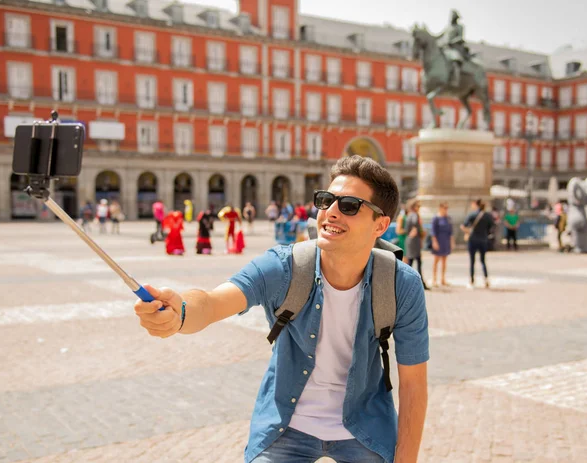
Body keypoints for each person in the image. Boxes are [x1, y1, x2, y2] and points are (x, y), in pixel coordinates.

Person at [134, 155, 429, 463]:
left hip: (365, 426)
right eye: (326, 200)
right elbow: (211, 303)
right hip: (286, 427)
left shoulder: (400, 284)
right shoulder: (285, 266)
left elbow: (413, 385)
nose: (330, 212)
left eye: (349, 206)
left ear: (380, 225)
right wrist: (180, 313)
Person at [461, 199, 495, 289]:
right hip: (483, 240)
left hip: (473, 240)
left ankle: (472, 281)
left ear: (476, 205)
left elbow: (463, 226)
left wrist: (468, 232)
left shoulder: (472, 214)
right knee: (483, 261)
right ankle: (486, 279)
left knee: (472, 261)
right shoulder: (487, 215)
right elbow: (491, 227)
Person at [404, 199, 429, 290]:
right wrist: (415, 230)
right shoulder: (414, 215)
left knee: (412, 262)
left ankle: (409, 282)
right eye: (418, 206)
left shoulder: (409, 215)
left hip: (412, 241)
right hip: (414, 241)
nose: (419, 208)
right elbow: (414, 223)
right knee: (415, 262)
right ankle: (418, 283)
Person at [431, 202, 454, 287]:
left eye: (447, 208)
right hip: (438, 240)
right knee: (436, 260)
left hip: (446, 241)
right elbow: (433, 232)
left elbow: (450, 232)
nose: (446, 210)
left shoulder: (448, 218)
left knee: (444, 260)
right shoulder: (436, 218)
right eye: (445, 208)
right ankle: (434, 279)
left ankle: (443, 279)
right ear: (440, 208)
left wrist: (451, 242)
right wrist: (434, 242)